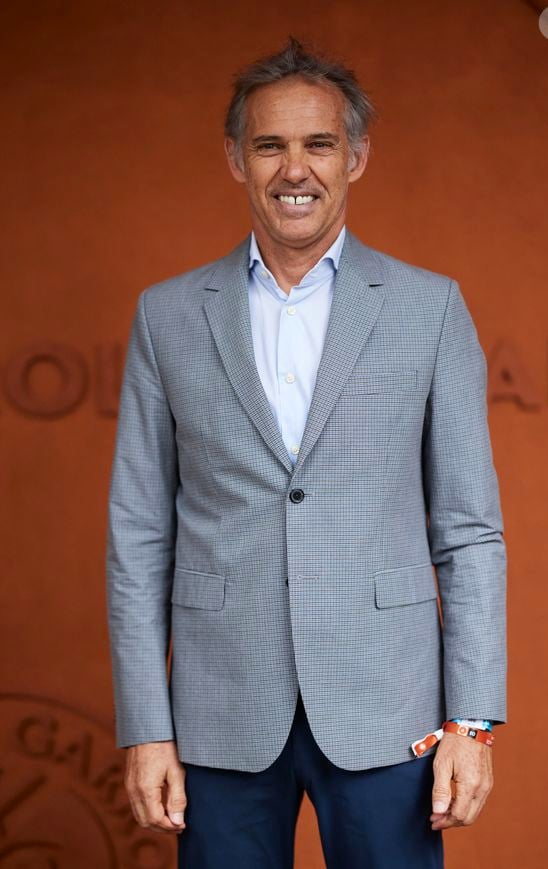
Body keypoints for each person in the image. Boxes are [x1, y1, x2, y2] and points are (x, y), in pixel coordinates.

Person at [105, 36, 507, 869]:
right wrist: (146, 725)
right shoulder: (167, 315)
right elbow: (139, 534)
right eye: (270, 145)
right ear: (234, 158)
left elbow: (469, 531)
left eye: (319, 143)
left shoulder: (429, 309)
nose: (296, 169)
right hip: (218, 712)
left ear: (355, 156)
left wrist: (472, 722)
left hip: (390, 713)